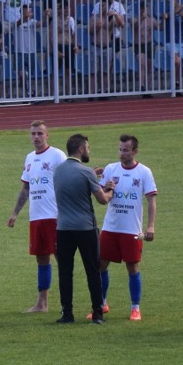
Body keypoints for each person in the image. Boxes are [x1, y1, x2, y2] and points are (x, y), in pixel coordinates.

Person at [53, 134, 115, 324]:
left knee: (65, 271)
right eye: (87, 147)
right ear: (80, 149)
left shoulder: (58, 171)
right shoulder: (86, 172)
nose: (89, 150)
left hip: (63, 228)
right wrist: (110, 189)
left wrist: (92, 176)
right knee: (92, 271)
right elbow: (102, 200)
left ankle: (67, 313)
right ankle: (97, 313)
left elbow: (74, 181)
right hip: (85, 228)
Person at [7, 121, 66, 313]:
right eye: (33, 134)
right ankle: (42, 303)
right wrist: (15, 213)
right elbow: (26, 188)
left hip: (54, 216)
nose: (36, 137)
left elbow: (69, 177)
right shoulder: (30, 158)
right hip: (36, 217)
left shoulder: (57, 155)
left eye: (40, 133)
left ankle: (67, 302)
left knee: (62, 259)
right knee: (41, 259)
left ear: (47, 135)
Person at [97, 135, 157, 321]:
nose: (122, 153)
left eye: (126, 150)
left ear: (135, 151)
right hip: (110, 227)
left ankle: (135, 308)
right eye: (120, 149)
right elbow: (101, 198)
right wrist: (105, 188)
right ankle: (101, 304)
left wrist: (150, 226)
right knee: (101, 265)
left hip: (131, 230)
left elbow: (151, 201)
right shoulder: (110, 169)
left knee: (133, 267)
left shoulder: (144, 172)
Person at [11, 4, 41, 95]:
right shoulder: (15, 22)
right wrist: (24, 17)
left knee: (29, 74)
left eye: (30, 11)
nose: (30, 12)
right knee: (22, 72)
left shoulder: (32, 22)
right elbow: (18, 23)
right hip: (19, 51)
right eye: (28, 11)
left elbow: (41, 24)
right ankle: (27, 91)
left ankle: (28, 89)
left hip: (31, 51)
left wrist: (45, 16)